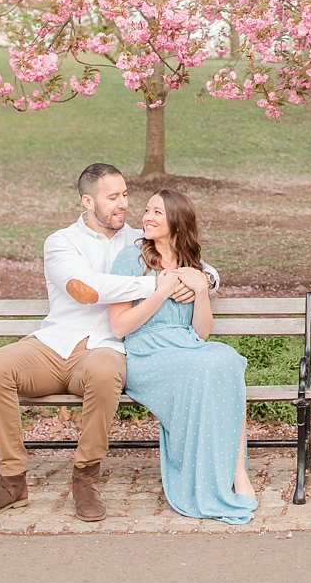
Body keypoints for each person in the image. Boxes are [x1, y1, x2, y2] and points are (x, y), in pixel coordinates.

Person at [0, 163, 219, 522]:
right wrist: (158, 285)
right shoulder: (62, 242)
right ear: (87, 201)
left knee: (104, 371)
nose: (124, 204)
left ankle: (85, 479)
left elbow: (196, 262)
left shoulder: (138, 238)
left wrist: (204, 280)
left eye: (126, 195)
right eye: (113, 197)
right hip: (54, 343)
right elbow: (86, 289)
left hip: (106, 345)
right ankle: (11, 482)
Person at [109, 189, 258, 524]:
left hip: (187, 347)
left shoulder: (196, 267)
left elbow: (201, 333)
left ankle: (237, 471)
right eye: (147, 210)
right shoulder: (130, 261)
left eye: (157, 213)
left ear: (177, 222)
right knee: (206, 364)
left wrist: (202, 289)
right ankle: (206, 479)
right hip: (146, 352)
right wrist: (160, 292)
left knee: (227, 359)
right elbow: (120, 326)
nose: (146, 217)